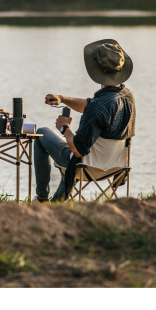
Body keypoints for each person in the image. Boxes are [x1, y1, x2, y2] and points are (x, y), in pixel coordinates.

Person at [34, 39, 136, 202]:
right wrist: (62, 98)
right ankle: (56, 203)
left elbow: (77, 150)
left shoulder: (98, 106)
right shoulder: (127, 97)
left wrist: (64, 127)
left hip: (86, 167)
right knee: (80, 151)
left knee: (42, 134)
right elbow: (90, 106)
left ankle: (42, 199)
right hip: (114, 166)